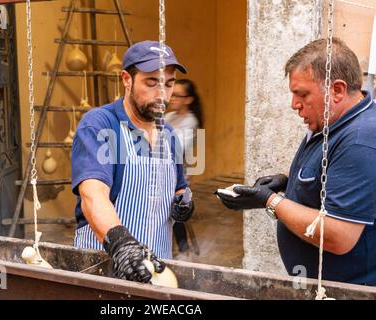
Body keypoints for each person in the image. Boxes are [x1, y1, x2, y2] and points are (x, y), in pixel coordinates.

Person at [217, 38, 376, 285]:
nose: (294, 105)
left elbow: (339, 236)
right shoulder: (334, 121)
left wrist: (270, 201)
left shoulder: (359, 140)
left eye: (302, 94)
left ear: (337, 90)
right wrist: (287, 182)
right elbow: (333, 177)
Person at [71, 40, 195, 283]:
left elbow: (179, 187)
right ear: (127, 79)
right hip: (103, 269)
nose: (163, 94)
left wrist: (183, 200)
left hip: (157, 272)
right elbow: (92, 196)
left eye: (169, 84)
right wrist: (121, 245)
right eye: (151, 82)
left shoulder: (169, 135)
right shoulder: (100, 124)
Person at [165, 79, 203, 253]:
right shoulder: (168, 117)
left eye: (177, 96)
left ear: (188, 99)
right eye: (171, 94)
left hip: (179, 173)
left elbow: (178, 148)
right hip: (162, 170)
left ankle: (183, 248)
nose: (172, 99)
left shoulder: (191, 121)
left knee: (175, 207)